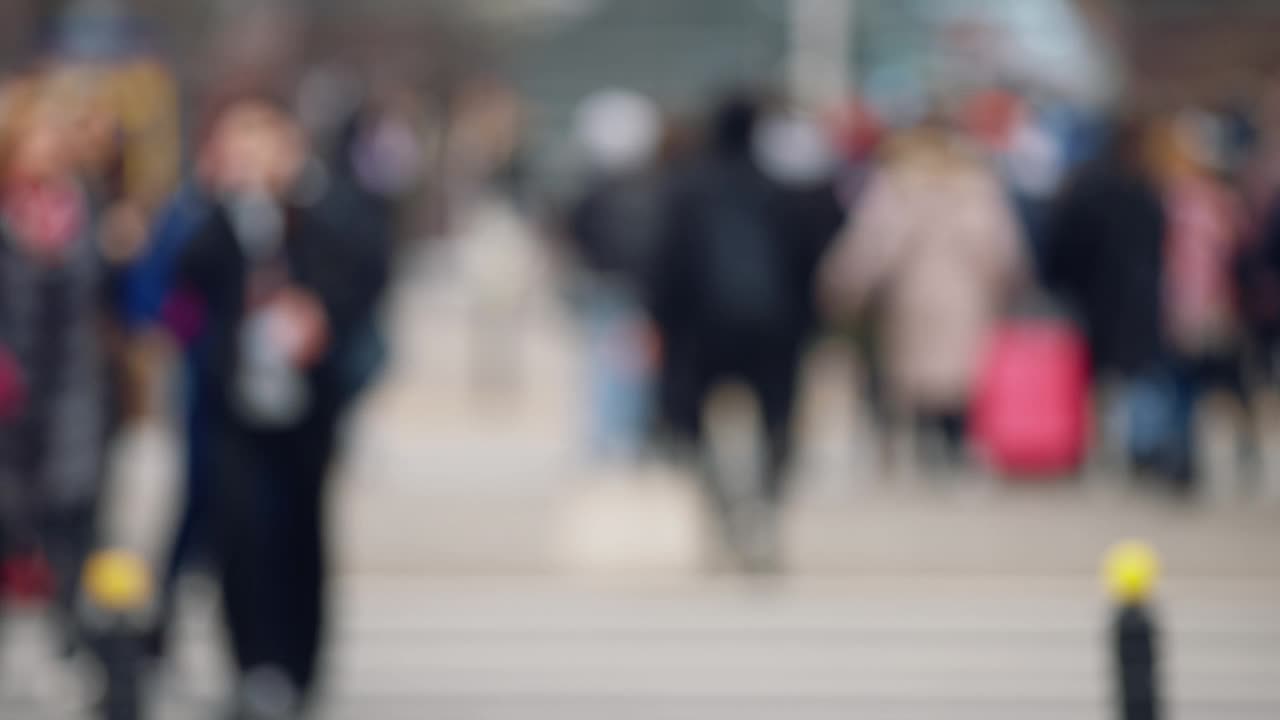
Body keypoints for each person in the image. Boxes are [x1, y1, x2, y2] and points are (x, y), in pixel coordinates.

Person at [175, 96, 387, 718]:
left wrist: (316, 309)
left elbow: (361, 271)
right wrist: (226, 203)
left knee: (299, 538)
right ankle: (252, 665)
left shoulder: (322, 210)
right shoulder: (218, 217)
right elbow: (184, 286)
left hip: (306, 407)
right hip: (235, 404)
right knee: (239, 539)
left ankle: (299, 666)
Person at [649, 94, 836, 571]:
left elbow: (665, 264)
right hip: (776, 327)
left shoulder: (686, 189)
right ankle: (765, 509)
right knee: (777, 422)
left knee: (694, 426)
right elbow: (811, 261)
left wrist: (661, 323)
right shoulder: (782, 190)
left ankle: (727, 509)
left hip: (700, 331)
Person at [821, 115, 1026, 467]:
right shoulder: (977, 186)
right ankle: (955, 446)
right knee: (960, 376)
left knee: (913, 377)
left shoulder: (896, 186)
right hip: (967, 298)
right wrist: (1008, 285)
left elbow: (872, 245)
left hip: (909, 297)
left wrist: (841, 285)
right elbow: (1001, 249)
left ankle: (920, 445)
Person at [0, 78, 110, 651]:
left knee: (69, 522)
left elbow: (125, 300)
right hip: (6, 395)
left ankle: (70, 645)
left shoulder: (84, 208)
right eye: (36, 137)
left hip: (69, 391)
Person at [1044, 117, 1168, 475]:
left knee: (1092, 377)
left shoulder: (1086, 185)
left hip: (1091, 295)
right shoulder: (1147, 186)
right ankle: (1141, 451)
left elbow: (1064, 242)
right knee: (1138, 375)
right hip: (1137, 294)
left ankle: (1098, 449)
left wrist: (1059, 283)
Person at [567, 89, 665, 460]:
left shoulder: (602, 190)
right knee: (624, 365)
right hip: (624, 287)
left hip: (612, 286)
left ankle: (614, 433)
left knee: (613, 364)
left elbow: (579, 232)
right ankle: (621, 433)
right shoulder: (650, 188)